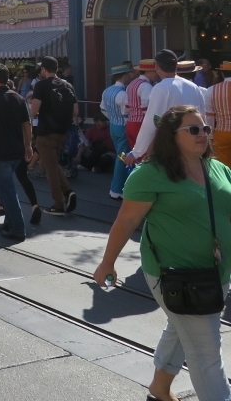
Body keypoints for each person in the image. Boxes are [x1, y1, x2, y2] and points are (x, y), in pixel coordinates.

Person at [94, 106, 231, 401]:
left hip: (216, 271)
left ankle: (158, 389)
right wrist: (107, 262)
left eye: (205, 129)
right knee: (206, 350)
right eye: (193, 130)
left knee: (182, 327)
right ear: (172, 136)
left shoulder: (218, 169)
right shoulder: (151, 175)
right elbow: (126, 221)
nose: (202, 135)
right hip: (174, 273)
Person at [0, 64, 34, 240]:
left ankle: (18, 228)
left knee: (7, 192)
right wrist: (28, 145)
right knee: (7, 189)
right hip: (17, 150)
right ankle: (8, 224)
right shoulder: (18, 98)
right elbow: (27, 124)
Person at [128, 50, 208, 165]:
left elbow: (151, 123)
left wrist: (136, 152)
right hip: (193, 143)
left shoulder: (161, 88)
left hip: (172, 145)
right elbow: (203, 118)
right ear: (176, 66)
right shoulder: (194, 87)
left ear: (156, 66)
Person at [30, 56, 78, 216]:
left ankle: (58, 204)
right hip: (62, 132)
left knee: (50, 168)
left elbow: (34, 111)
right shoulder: (68, 85)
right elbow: (75, 111)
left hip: (45, 131)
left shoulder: (41, 85)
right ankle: (68, 192)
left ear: (44, 69)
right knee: (53, 163)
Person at [100, 64, 132, 197]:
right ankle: (117, 189)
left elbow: (102, 108)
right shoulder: (123, 94)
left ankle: (116, 188)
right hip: (123, 126)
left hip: (113, 125)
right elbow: (126, 112)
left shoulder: (106, 91)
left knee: (121, 155)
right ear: (124, 76)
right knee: (123, 157)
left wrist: (113, 117)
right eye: (128, 74)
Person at [125, 59, 158, 183]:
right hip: (141, 124)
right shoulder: (146, 86)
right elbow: (147, 109)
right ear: (149, 71)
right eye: (155, 71)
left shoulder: (131, 84)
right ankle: (145, 183)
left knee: (135, 156)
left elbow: (127, 107)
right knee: (145, 156)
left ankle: (135, 182)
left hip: (131, 123)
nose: (156, 74)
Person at [211, 62, 231, 167]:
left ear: (222, 74)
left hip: (221, 133)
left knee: (224, 166)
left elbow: (209, 117)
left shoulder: (211, 90)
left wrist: (210, 137)